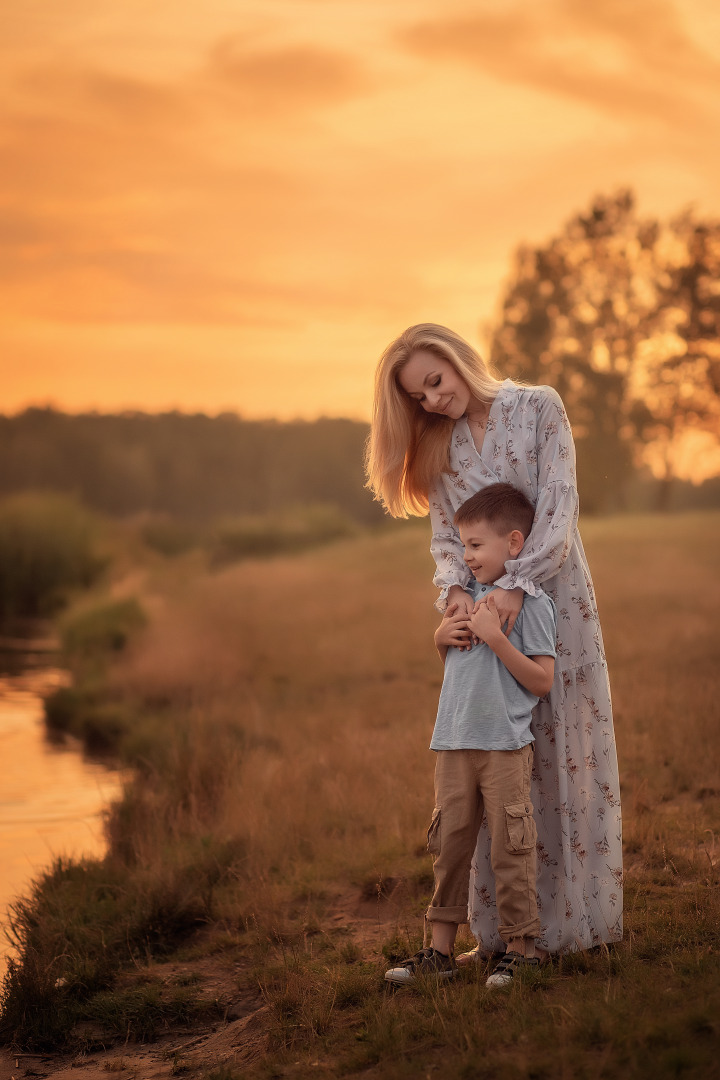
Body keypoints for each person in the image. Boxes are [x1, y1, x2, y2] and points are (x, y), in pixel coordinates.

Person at [365, 323, 622, 960]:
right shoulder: (440, 446)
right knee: (494, 762)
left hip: (552, 597)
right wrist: (455, 599)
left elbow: (559, 508)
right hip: (483, 614)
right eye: (417, 396)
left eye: (435, 380)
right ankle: (500, 933)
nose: (431, 400)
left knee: (561, 749)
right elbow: (448, 540)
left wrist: (517, 584)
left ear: (457, 361)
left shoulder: (538, 406)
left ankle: (567, 924)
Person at [384, 484, 558, 987]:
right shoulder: (462, 601)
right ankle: (437, 950)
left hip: (504, 745)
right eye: (463, 546)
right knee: (451, 844)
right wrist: (440, 640)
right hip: (453, 741)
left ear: (515, 543)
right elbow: (460, 669)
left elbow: (542, 681)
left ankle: (522, 949)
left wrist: (498, 637)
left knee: (511, 846)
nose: (467, 556)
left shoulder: (529, 605)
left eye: (477, 546)